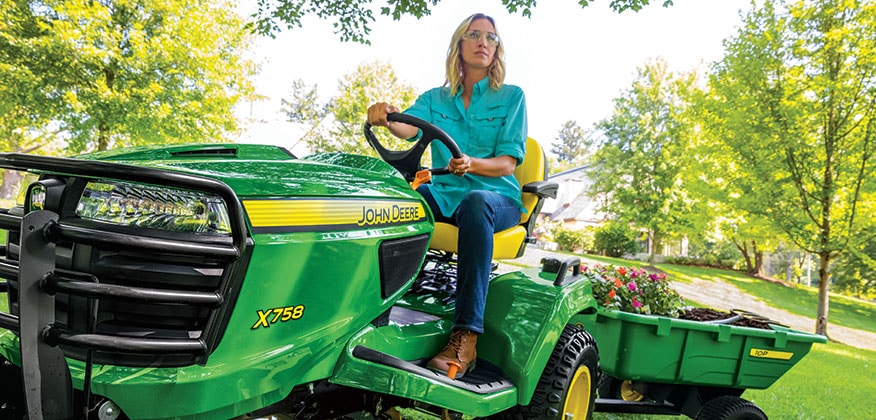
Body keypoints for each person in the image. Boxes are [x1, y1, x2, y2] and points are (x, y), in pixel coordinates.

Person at [367, 12, 527, 378]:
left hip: (495, 200)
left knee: (476, 203)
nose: (483, 42)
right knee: (401, 196)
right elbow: (406, 126)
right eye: (474, 34)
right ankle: (372, 309)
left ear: (496, 49)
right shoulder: (435, 99)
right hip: (447, 194)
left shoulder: (512, 98)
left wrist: (471, 164)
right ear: (460, 44)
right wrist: (386, 114)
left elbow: (506, 163)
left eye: (491, 37)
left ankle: (465, 335)